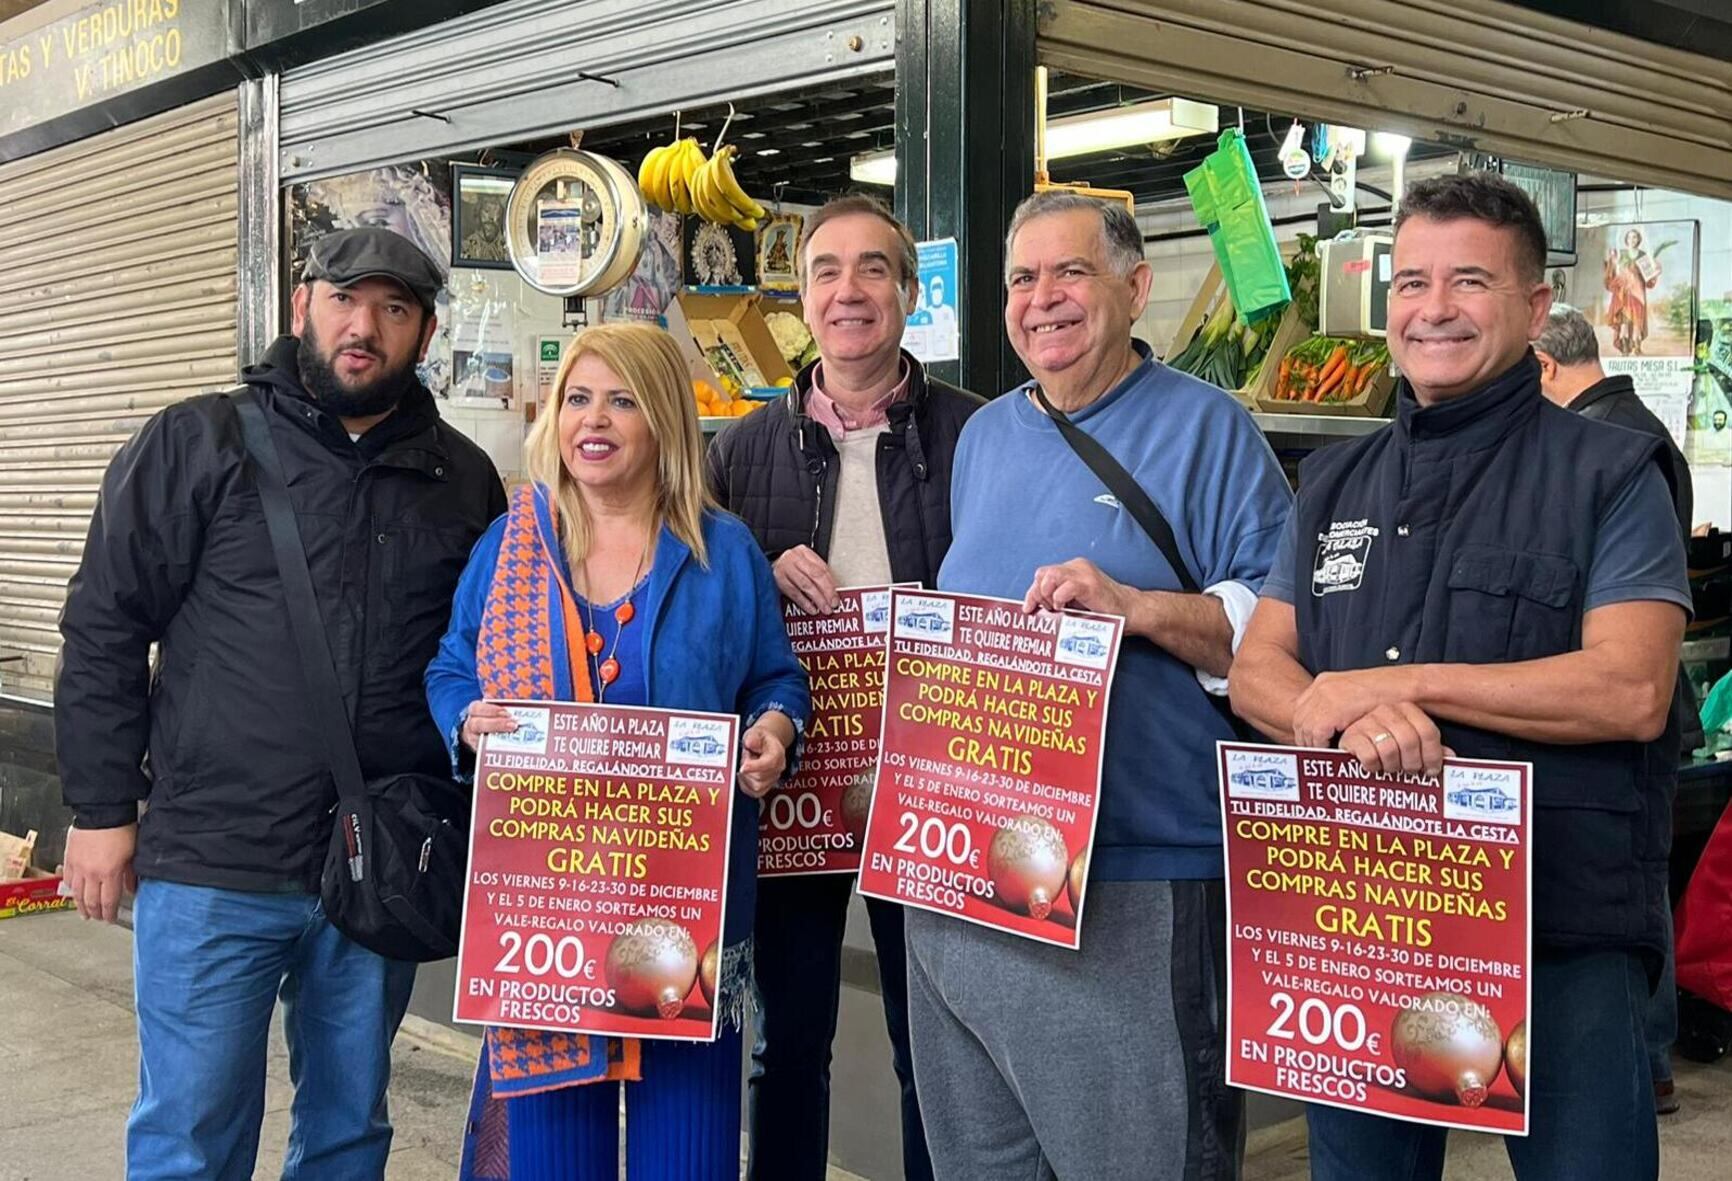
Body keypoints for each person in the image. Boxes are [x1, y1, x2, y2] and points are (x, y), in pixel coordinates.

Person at [1230, 174, 1690, 1181]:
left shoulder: (1609, 473)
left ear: (1533, 309)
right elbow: (1259, 663)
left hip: (1558, 929)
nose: (1431, 308)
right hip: (1363, 920)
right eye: (1410, 282)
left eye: (1468, 281)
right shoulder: (1333, 484)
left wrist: (1404, 690)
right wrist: (1338, 709)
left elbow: (1631, 688)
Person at [55, 226, 506, 1179]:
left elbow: (478, 660)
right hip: (215, 861)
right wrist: (100, 811)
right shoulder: (197, 440)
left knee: (347, 1134)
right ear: (302, 305)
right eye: (346, 299)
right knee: (190, 1137)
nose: (364, 327)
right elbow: (103, 625)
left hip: (378, 869)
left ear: (424, 334)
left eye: (394, 309)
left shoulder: (461, 480)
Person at [913, 189, 1294, 1180]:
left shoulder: (1212, 434)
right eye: (1021, 279)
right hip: (971, 878)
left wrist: (1137, 605)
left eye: (1069, 272)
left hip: (1137, 877)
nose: (1042, 298)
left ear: (1134, 286)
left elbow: (1279, 647)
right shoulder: (985, 437)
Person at [427, 322, 809, 1180]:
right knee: (556, 1162)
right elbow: (451, 663)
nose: (593, 421)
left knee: (693, 1158)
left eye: (623, 400)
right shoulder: (513, 545)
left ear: (665, 419)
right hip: (548, 918)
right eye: (578, 398)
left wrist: (773, 732)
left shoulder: (723, 552)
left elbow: (777, 680)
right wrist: (466, 716)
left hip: (686, 919)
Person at [706, 193, 983, 1181]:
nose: (849, 289)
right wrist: (751, 559)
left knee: (936, 1045)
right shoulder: (738, 450)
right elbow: (697, 594)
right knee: (787, 1037)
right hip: (791, 773)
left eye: (874, 268)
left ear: (909, 293)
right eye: (827, 270)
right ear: (803, 299)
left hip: (935, 771)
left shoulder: (977, 435)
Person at [1534, 301, 1700, 1114]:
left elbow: (1634, 667)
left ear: (1542, 362)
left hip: (1631, 720)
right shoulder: (1645, 428)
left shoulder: (1617, 452)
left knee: (1633, 880)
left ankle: (1649, 1055)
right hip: (1632, 713)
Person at [1604, 227, 1660, 356]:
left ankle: (1637, 347)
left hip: (1638, 292)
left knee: (1637, 321)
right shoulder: (1620, 254)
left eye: (1634, 237)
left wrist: (1655, 272)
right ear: (1626, 239)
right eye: (1629, 237)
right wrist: (1611, 261)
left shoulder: (1642, 255)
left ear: (1638, 239)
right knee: (1624, 321)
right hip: (1624, 293)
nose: (1632, 240)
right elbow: (1613, 271)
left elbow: (1648, 276)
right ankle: (1625, 348)